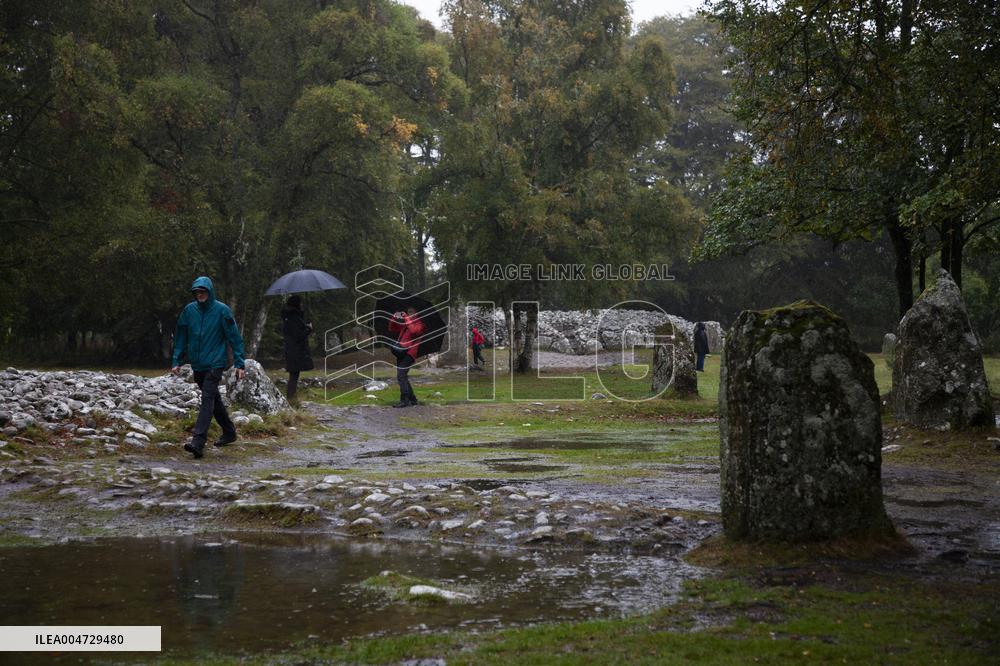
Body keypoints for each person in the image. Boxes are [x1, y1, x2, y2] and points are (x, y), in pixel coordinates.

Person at [171, 276, 246, 459]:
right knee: (214, 399)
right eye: (197, 292)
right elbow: (181, 335)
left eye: (203, 291)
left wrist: (239, 363)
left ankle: (198, 442)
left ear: (210, 291)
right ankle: (229, 432)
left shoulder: (222, 311)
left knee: (206, 399)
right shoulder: (189, 311)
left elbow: (234, 337)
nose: (200, 294)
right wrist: (176, 360)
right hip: (198, 364)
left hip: (215, 363)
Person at [387, 305, 425, 408]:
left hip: (409, 354)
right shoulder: (406, 323)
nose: (410, 313)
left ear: (417, 313)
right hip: (401, 352)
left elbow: (413, 331)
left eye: (412, 312)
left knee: (401, 376)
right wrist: (394, 317)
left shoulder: (420, 324)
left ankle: (404, 400)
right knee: (403, 377)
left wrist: (407, 318)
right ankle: (413, 399)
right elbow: (392, 328)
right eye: (409, 312)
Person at [281, 295, 314, 402]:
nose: (302, 305)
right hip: (295, 351)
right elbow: (297, 336)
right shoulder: (293, 318)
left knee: (294, 375)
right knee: (294, 375)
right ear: (297, 304)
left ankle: (292, 399)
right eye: (300, 303)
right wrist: (308, 329)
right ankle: (291, 400)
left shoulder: (289, 317)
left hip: (292, 350)